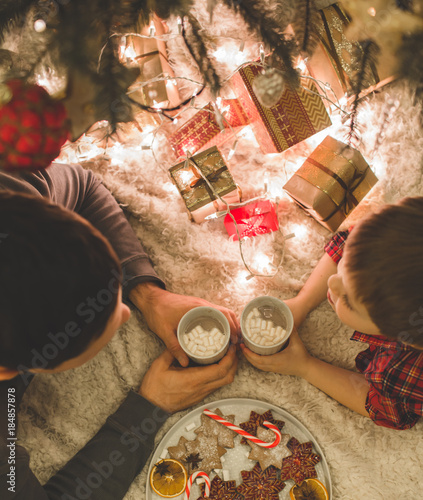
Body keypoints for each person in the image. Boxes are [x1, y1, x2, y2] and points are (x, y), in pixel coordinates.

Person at [0, 162, 239, 499]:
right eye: (99, 318)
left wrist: (148, 293)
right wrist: (147, 410)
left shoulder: (15, 193)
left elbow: (83, 188)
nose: (126, 313)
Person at [242, 197, 423, 430]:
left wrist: (305, 366)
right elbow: (351, 242)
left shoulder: (403, 366)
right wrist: (302, 303)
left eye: (347, 299)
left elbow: (387, 409)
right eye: (344, 265)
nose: (332, 283)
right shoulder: (398, 238)